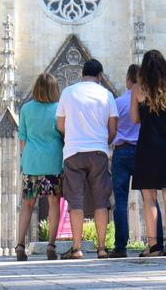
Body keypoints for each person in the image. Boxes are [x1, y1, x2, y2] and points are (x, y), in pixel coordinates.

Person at [55, 58, 118, 259]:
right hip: (98, 151)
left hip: (73, 152)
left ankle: (77, 248)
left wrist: (73, 137)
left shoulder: (68, 92)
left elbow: (60, 124)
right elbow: (113, 128)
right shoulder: (106, 94)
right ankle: (101, 248)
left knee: (76, 201)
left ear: (83, 74)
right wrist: (102, 142)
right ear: (100, 76)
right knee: (101, 201)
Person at [130, 49, 166, 257]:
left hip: (147, 145)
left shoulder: (138, 89)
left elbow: (135, 120)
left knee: (149, 197)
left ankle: (153, 245)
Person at [109, 64, 163, 258]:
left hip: (122, 151)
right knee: (150, 198)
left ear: (127, 80)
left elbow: (112, 128)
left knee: (120, 199)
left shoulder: (117, 102)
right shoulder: (149, 100)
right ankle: (158, 242)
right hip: (143, 150)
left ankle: (120, 246)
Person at [15, 72, 63, 262]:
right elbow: (62, 134)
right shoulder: (59, 109)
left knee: (27, 205)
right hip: (53, 162)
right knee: (53, 203)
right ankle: (51, 245)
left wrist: (27, 158)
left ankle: (19, 246)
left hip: (31, 163)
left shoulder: (26, 109)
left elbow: (22, 140)